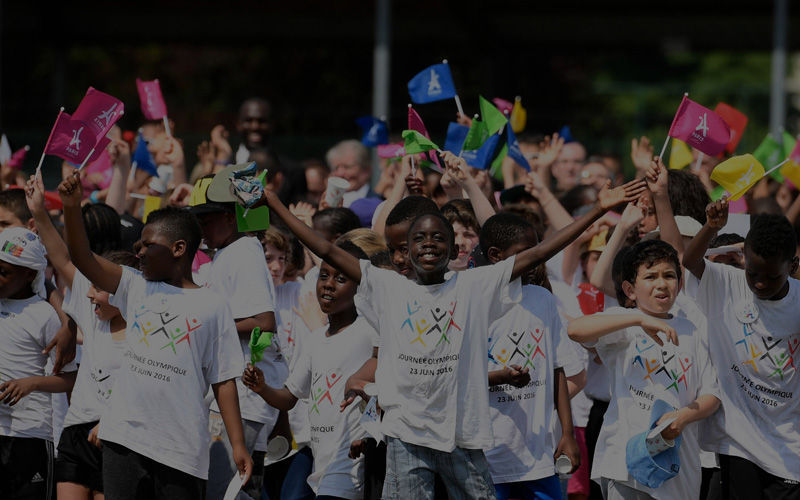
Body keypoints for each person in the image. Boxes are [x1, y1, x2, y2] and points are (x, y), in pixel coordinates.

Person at [254, 150, 645, 498]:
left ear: (455, 249)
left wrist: (597, 210)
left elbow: (541, 251)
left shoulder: (474, 285)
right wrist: (273, 202)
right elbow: (324, 248)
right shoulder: (387, 285)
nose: (428, 244)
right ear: (404, 251)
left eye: (437, 238)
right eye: (419, 239)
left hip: (463, 436)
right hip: (406, 436)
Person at [58, 171, 252, 499]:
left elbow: (223, 380)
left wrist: (237, 444)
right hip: (123, 442)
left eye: (149, 245)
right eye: (139, 244)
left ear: (179, 248)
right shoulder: (135, 287)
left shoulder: (213, 305)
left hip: (182, 450)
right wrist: (71, 208)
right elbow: (82, 259)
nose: (139, 252)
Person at [569, 239, 721, 500]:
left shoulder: (695, 330)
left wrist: (682, 417)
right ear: (630, 289)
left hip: (677, 465)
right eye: (650, 277)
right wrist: (639, 318)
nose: (662, 284)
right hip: (624, 462)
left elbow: (712, 396)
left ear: (679, 283)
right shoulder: (622, 323)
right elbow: (575, 330)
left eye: (669, 276)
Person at [26, 173, 135, 500]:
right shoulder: (92, 314)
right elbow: (61, 256)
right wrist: (41, 211)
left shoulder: (146, 328)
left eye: (99, 289)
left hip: (117, 436)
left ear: (123, 294)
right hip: (76, 433)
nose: (89, 296)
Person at [682, 200, 800, 498]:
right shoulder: (726, 283)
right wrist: (712, 227)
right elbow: (690, 260)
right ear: (744, 257)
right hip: (738, 442)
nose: (760, 284)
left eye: (772, 277)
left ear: (793, 266)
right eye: (753, 273)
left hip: (789, 446)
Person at [244, 241, 375, 499]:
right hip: (321, 464)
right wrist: (261, 388)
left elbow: (386, 365)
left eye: (341, 278)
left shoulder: (368, 331)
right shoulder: (316, 340)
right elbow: (289, 397)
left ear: (361, 287)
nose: (328, 283)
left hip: (349, 465)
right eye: (324, 275)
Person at [189, 167, 281, 500]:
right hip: (231, 396)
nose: (202, 227)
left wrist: (205, 327)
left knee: (224, 492)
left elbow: (263, 321)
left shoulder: (243, 251)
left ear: (231, 218)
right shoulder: (228, 254)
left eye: (209, 219)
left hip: (243, 397)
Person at [480, 212, 582, 500]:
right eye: (526, 253)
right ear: (495, 256)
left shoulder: (543, 299)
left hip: (538, 458)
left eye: (538, 250)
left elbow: (558, 369)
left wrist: (567, 433)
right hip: (490, 457)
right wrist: (500, 377)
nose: (536, 259)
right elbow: (460, 377)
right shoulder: (477, 304)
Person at [0, 226, 78, 500]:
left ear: (29, 275)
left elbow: (73, 378)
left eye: (4, 272)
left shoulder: (45, 316)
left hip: (29, 435)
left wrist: (32, 383)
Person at [325, 140, 380, 207]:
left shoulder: (379, 203)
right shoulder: (326, 203)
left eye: (347, 167)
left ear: (366, 170)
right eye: (336, 168)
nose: (340, 173)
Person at [235, 98, 274, 163]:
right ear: (238, 124)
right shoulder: (223, 164)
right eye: (248, 120)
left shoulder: (290, 170)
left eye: (261, 121)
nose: (255, 127)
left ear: (272, 125)